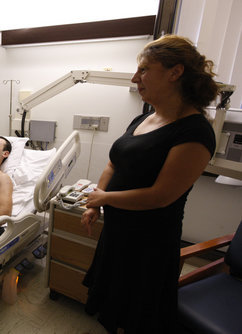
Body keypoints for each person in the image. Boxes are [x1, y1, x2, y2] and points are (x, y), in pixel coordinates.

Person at [80, 35, 218, 333]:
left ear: (175, 72)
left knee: (137, 313)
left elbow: (160, 196)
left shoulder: (194, 132)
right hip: (117, 232)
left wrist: (105, 199)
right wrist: (96, 200)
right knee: (111, 306)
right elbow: (113, 163)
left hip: (148, 242)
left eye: (143, 70)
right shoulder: (143, 118)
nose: (134, 78)